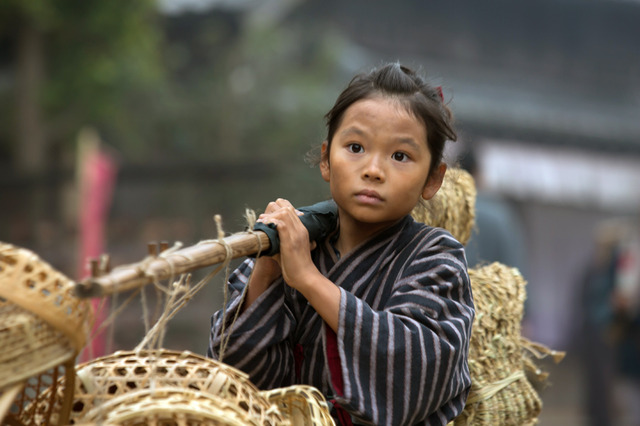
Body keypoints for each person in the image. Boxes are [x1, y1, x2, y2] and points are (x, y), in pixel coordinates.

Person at [207, 63, 475, 425]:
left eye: (400, 156)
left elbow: (413, 372)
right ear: (325, 159)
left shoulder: (435, 258)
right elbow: (236, 384)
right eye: (355, 147)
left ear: (432, 179)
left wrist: (309, 279)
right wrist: (268, 268)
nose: (373, 170)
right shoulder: (296, 243)